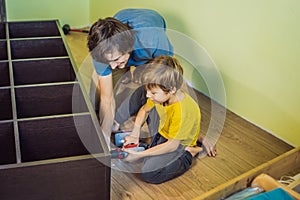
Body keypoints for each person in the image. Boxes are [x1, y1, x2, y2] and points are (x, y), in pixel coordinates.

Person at [87, 8, 174, 145]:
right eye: (109, 62)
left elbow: (171, 79)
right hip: (124, 44)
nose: (113, 66)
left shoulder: (153, 40)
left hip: (148, 40)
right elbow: (107, 99)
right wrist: (104, 135)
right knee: (98, 95)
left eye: (116, 60)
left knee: (156, 90)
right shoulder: (100, 52)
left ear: (128, 48)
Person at [122, 55, 202, 184]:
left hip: (177, 144)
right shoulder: (161, 96)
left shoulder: (182, 111)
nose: (148, 95)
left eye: (153, 92)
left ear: (171, 90)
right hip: (164, 131)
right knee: (149, 155)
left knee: (149, 174)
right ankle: (150, 148)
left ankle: (190, 153)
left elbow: (172, 145)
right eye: (148, 90)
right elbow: (144, 110)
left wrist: (139, 155)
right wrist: (135, 135)